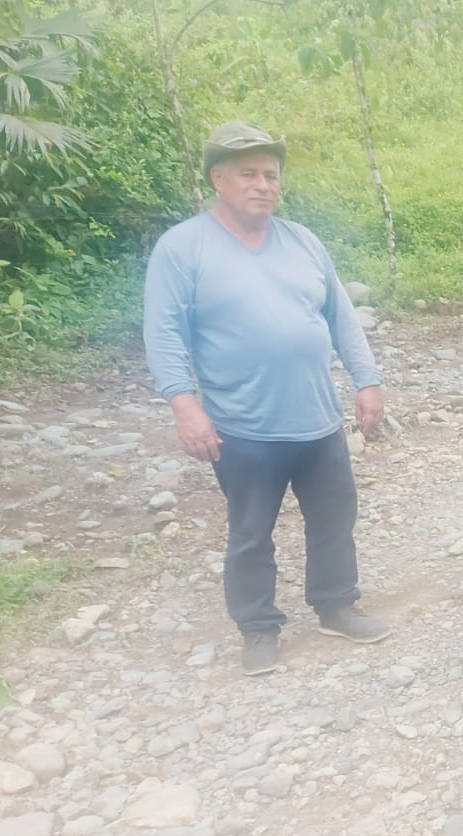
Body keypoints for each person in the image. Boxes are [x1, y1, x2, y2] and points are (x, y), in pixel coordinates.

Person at [144, 121, 390, 677]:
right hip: (243, 426)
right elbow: (164, 333)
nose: (263, 185)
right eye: (249, 174)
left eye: (271, 175)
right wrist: (185, 405)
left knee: (334, 520)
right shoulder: (183, 248)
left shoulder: (302, 241)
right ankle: (257, 628)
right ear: (218, 179)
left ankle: (336, 606)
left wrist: (367, 380)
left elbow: (340, 317)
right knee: (251, 532)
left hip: (318, 418)